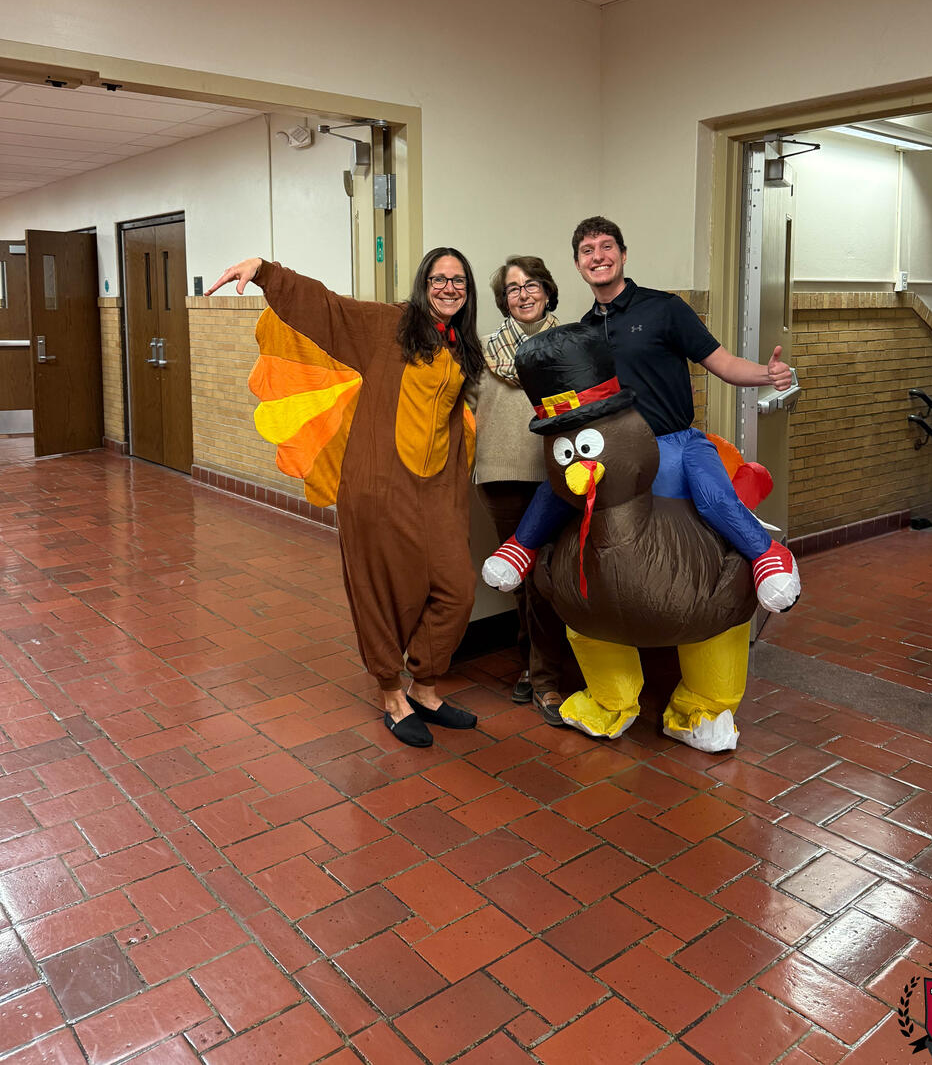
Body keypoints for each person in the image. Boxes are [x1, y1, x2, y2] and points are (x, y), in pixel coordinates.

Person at [206, 249, 483, 749]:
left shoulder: (462, 343)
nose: (449, 287)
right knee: (380, 591)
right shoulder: (388, 325)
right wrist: (266, 272)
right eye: (438, 278)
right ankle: (392, 694)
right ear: (423, 284)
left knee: (457, 589)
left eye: (458, 280)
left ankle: (425, 687)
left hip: (436, 491)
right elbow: (327, 308)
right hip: (378, 486)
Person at [484, 216, 801, 612]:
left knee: (713, 496)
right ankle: (520, 548)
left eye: (606, 246)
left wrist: (766, 375)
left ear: (623, 254)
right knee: (559, 486)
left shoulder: (665, 309)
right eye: (587, 251)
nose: (598, 256)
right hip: (614, 450)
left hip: (673, 442)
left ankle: (767, 555)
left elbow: (722, 363)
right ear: (578, 264)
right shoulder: (584, 332)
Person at [474, 256, 571, 726]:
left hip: (558, 477)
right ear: (504, 300)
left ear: (548, 292)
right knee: (522, 580)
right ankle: (537, 668)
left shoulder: (570, 344)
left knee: (550, 575)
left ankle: (544, 673)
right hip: (501, 476)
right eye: (513, 289)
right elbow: (463, 409)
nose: (523, 294)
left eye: (531, 285)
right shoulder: (483, 350)